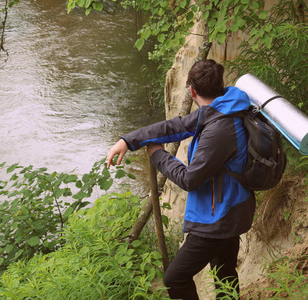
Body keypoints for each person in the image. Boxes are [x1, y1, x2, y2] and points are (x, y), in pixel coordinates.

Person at [106, 59, 256, 299]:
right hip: (231, 206)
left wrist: (158, 156)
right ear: (220, 85)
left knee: (175, 279)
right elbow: (174, 127)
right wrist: (129, 140)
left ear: (192, 91)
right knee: (224, 272)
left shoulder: (219, 129)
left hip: (218, 218)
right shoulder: (223, 108)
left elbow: (190, 179)